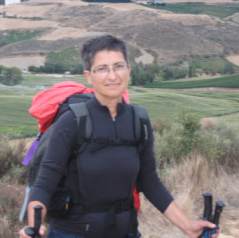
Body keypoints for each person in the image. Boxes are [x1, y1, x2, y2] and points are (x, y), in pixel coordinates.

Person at [19, 34, 220, 238]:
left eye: (118, 66)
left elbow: (149, 182)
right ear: (89, 75)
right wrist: (34, 226)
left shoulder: (138, 120)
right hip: (72, 233)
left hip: (126, 232)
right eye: (102, 68)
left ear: (128, 70)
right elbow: (45, 181)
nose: (112, 76)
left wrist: (187, 226)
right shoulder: (71, 121)